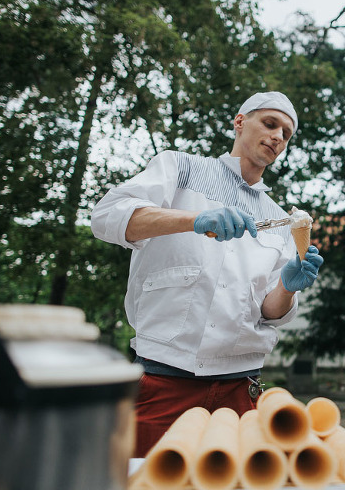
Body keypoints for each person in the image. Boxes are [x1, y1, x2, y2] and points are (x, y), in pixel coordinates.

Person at [90, 91, 324, 458]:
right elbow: (107, 217)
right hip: (165, 377)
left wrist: (287, 287)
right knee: (146, 477)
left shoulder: (281, 219)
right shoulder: (180, 168)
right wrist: (193, 220)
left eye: (287, 134)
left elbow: (270, 310)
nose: (278, 136)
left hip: (240, 387)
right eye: (270, 123)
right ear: (240, 121)